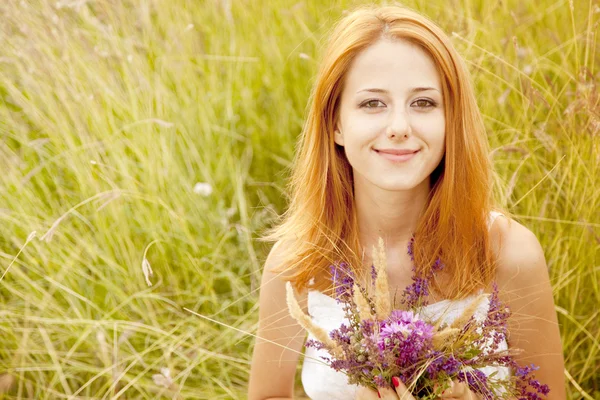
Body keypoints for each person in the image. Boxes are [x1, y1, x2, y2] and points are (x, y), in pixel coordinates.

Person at [247, 4, 565, 400]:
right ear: (336, 123)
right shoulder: (297, 262)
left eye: (423, 103)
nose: (399, 127)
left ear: (452, 120)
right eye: (372, 103)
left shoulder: (509, 254)